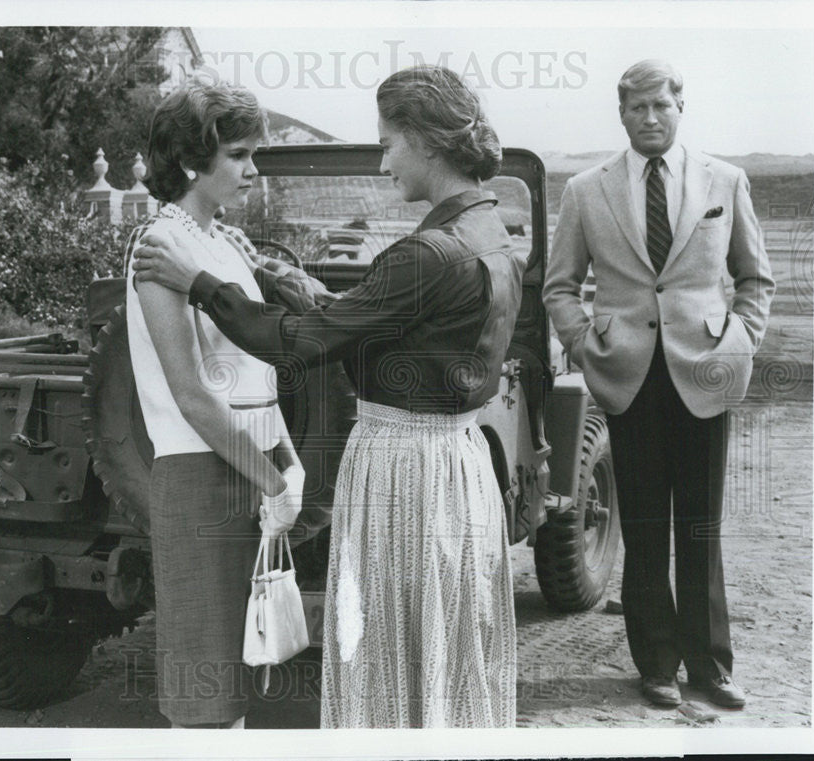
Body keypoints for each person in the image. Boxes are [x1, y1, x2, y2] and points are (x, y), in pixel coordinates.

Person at [132, 65, 528, 728]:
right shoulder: (491, 235)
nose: (382, 161)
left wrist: (203, 282)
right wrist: (291, 285)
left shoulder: (426, 252)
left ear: (426, 142)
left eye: (388, 143)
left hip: (402, 468)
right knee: (437, 649)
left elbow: (303, 345)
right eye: (240, 154)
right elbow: (374, 322)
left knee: (390, 651)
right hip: (454, 462)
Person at [543, 59, 774, 709]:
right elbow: (559, 285)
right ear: (621, 113)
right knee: (645, 527)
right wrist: (585, 344)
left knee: (700, 525)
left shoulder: (725, 180)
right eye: (637, 107)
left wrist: (741, 340)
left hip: (707, 370)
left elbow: (755, 278)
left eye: (661, 106)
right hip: (628, 376)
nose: (650, 117)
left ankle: (711, 666)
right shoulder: (588, 189)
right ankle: (655, 664)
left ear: (681, 107)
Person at [124, 78, 305, 729]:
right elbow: (193, 394)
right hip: (200, 477)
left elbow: (257, 369)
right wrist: (273, 478)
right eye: (239, 155)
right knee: (204, 701)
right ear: (194, 159)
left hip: (249, 471)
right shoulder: (158, 246)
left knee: (237, 687)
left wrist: (285, 459)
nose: (253, 170)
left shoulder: (223, 244)